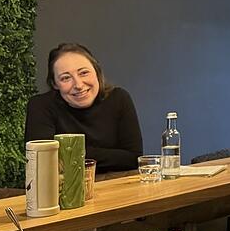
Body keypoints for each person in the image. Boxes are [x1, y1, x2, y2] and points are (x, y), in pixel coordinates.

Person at [25, 43, 143, 173]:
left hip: (114, 185)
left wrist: (69, 153)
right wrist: (110, 156)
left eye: (84, 73)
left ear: (97, 72)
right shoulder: (41, 106)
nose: (78, 85)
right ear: (55, 84)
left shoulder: (119, 98)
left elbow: (133, 159)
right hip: (63, 189)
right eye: (65, 78)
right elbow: (44, 162)